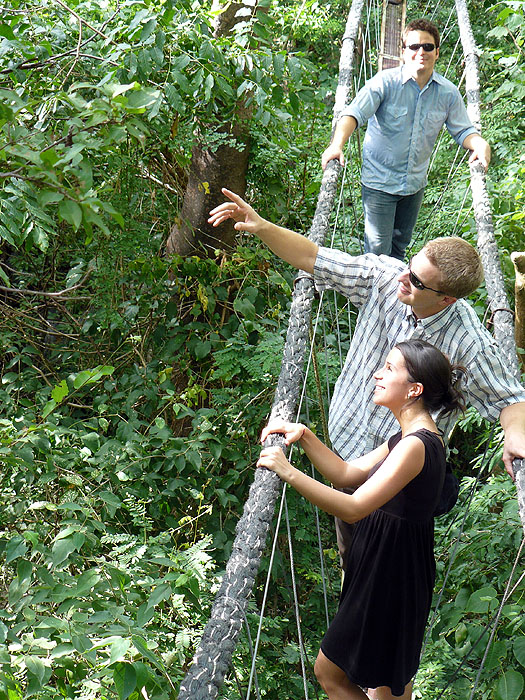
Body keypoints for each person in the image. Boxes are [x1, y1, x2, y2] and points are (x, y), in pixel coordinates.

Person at [207, 188, 525, 564]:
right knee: (351, 552)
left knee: (379, 562)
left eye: (418, 282)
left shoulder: (469, 343)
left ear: (447, 299)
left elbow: (510, 399)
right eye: (411, 265)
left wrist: (516, 438)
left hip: (396, 474)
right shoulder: (386, 278)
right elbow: (313, 257)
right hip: (344, 453)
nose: (404, 278)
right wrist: (261, 226)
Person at [258, 339, 466, 699]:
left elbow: (354, 507)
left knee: (330, 672)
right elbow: (347, 473)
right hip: (389, 565)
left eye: (388, 369)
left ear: (414, 389)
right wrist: (304, 435)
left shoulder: (416, 445)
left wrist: (288, 472)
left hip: (390, 573)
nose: (377, 374)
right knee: (385, 683)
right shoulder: (406, 437)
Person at [321, 18, 491, 260]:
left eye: (428, 47)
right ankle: (375, 297)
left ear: (437, 52)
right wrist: (337, 145)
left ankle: (394, 296)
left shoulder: (448, 93)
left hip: (414, 186)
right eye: (413, 47)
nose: (420, 52)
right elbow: (353, 114)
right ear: (403, 52)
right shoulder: (384, 83)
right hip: (379, 183)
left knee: (399, 247)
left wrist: (479, 143)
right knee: (378, 254)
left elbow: (463, 131)